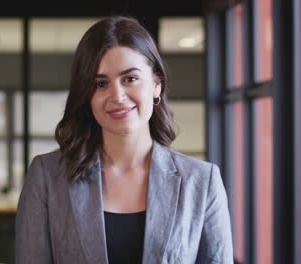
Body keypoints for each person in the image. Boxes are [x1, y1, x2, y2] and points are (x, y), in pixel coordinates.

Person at [15, 16, 233, 264]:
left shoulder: (202, 182)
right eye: (100, 83)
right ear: (86, 96)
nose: (117, 96)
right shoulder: (47, 176)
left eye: (130, 79)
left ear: (156, 85)